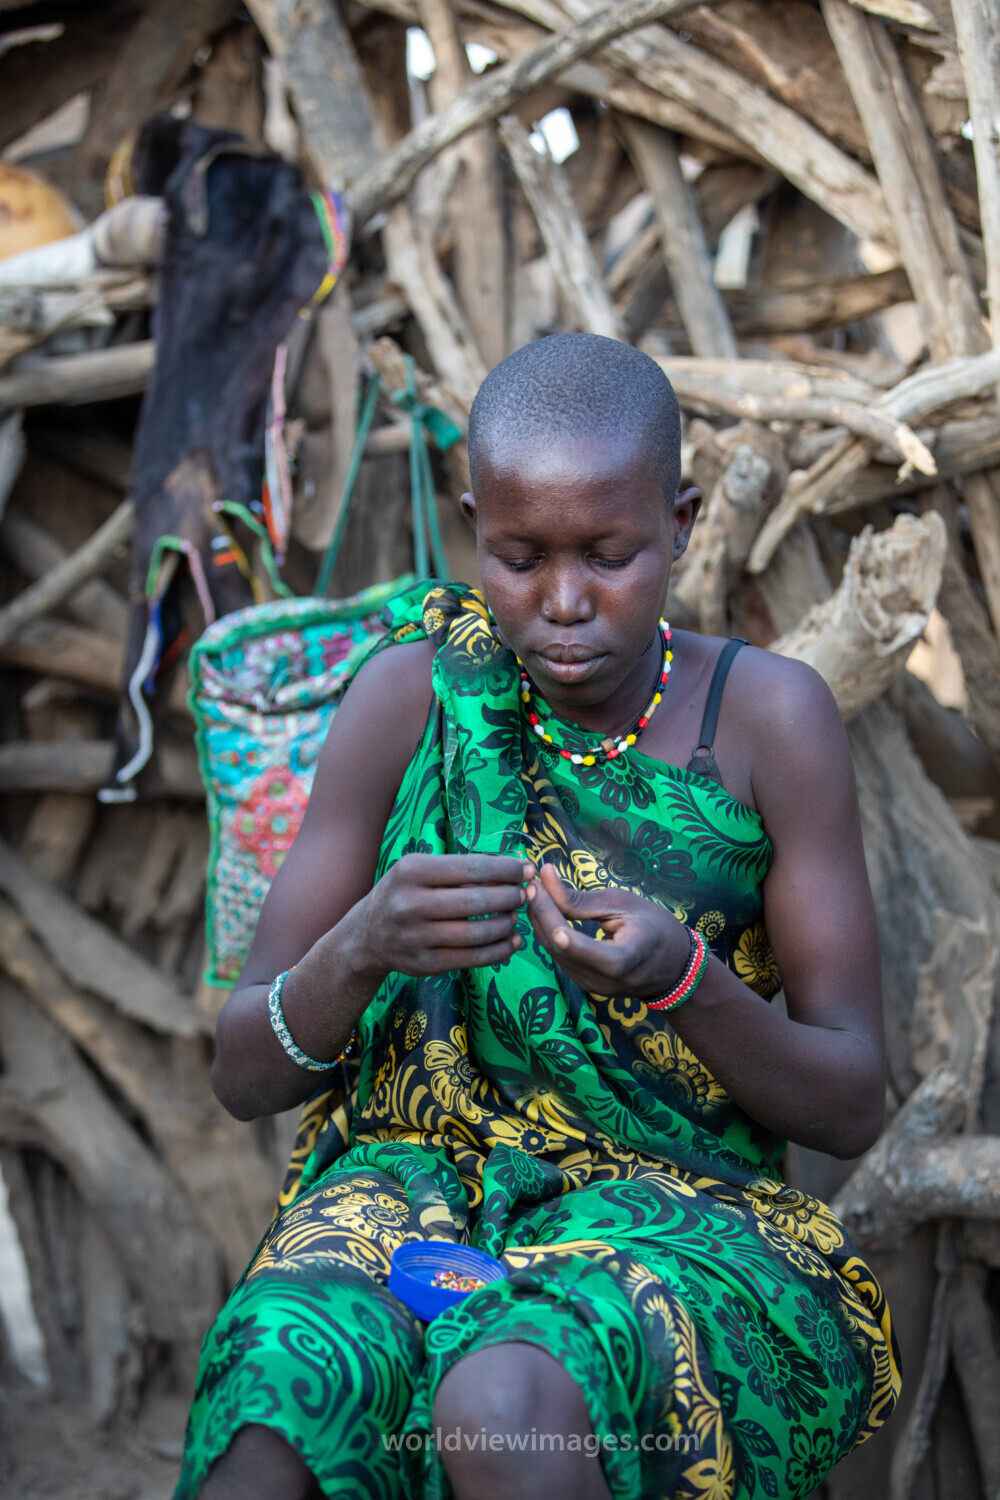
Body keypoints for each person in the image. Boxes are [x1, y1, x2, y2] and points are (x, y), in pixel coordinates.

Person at [177, 333, 900, 1500]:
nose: (563, 603)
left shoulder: (767, 720)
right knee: (282, 1381)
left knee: (504, 1400)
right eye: (519, 559)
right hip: (410, 1189)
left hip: (680, 1207)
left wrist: (683, 982)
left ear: (680, 522)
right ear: (474, 528)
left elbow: (854, 1101)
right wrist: (362, 948)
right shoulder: (409, 698)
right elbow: (241, 1071)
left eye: (608, 556)